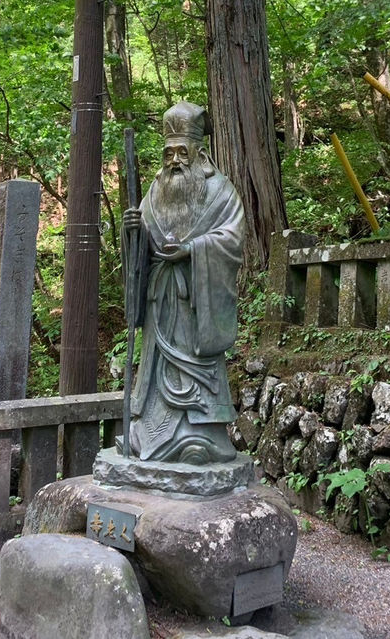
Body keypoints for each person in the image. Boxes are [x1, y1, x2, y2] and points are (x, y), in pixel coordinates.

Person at [121, 101, 245, 465]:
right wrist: (134, 234)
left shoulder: (221, 191)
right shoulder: (155, 191)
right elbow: (141, 245)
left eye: (182, 152)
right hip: (161, 299)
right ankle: (147, 434)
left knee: (192, 366)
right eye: (168, 153)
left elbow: (232, 239)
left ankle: (201, 435)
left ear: (198, 153)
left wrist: (192, 250)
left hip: (195, 303)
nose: (175, 160)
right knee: (156, 371)